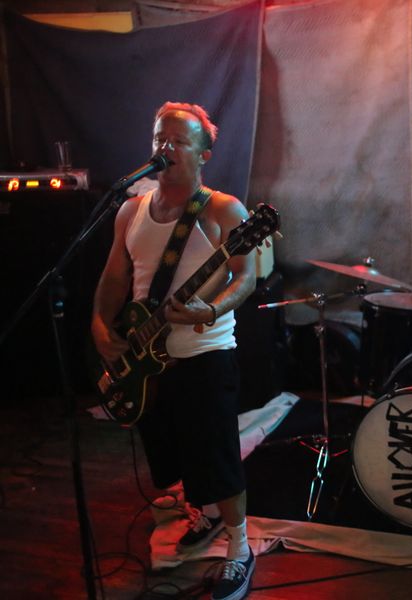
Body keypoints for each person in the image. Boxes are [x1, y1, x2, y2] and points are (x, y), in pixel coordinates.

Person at [91, 102, 258, 600]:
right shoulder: (130, 210)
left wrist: (211, 309)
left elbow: (246, 277)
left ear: (204, 153)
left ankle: (240, 548)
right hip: (147, 360)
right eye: (160, 139)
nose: (166, 148)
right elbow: (115, 278)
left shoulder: (223, 210)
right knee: (171, 451)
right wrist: (99, 325)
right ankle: (203, 515)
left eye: (179, 141)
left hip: (206, 351)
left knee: (216, 456)